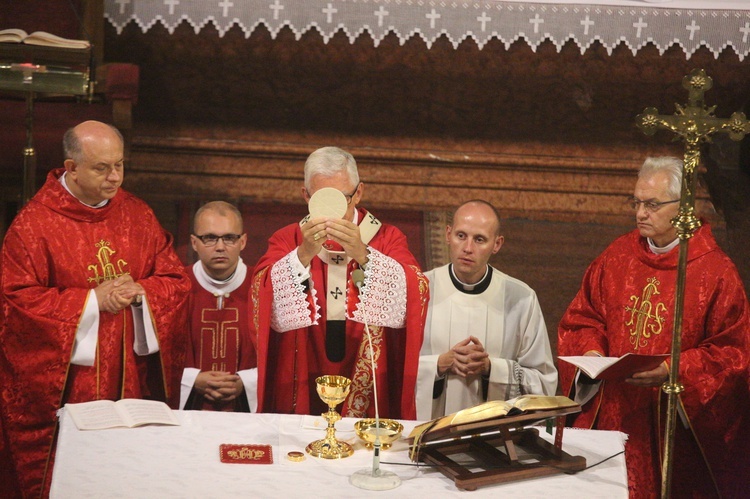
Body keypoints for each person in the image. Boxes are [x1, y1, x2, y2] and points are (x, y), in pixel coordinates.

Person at [0, 120, 190, 497]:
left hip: (130, 381)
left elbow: (175, 280)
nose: (114, 177)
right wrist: (90, 301)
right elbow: (14, 301)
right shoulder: (34, 225)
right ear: (71, 168)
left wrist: (141, 292)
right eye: (101, 168)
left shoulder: (138, 215)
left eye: (119, 164)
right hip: (69, 388)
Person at [558, 156, 750, 499]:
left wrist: (671, 369)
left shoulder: (716, 272)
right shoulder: (617, 256)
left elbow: (733, 355)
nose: (640, 213)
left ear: (684, 207)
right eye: (636, 202)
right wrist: (592, 353)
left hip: (670, 426)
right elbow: (583, 317)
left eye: (652, 204)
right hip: (613, 412)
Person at [250, 146, 429, 419]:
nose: (333, 210)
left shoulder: (387, 238)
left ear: (358, 192)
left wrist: (363, 254)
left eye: (342, 198)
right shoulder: (288, 239)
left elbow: (416, 290)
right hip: (304, 367)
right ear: (306, 196)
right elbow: (261, 294)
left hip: (369, 372)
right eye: (321, 198)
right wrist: (302, 255)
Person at [415, 200, 557, 420]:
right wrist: (439, 364)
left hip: (496, 437)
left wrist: (491, 368)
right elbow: (393, 372)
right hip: (427, 429)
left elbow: (544, 384)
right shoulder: (419, 290)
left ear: (497, 244)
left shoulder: (521, 298)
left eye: (479, 239)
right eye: (461, 236)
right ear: (447, 234)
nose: (468, 248)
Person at [180, 201, 257, 412]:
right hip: (187, 412)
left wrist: (246, 382)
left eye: (229, 238)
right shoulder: (174, 287)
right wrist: (192, 379)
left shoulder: (263, 287)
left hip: (245, 412)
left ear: (243, 241)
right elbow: (155, 356)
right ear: (194, 243)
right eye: (210, 238)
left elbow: (282, 355)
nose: (220, 247)